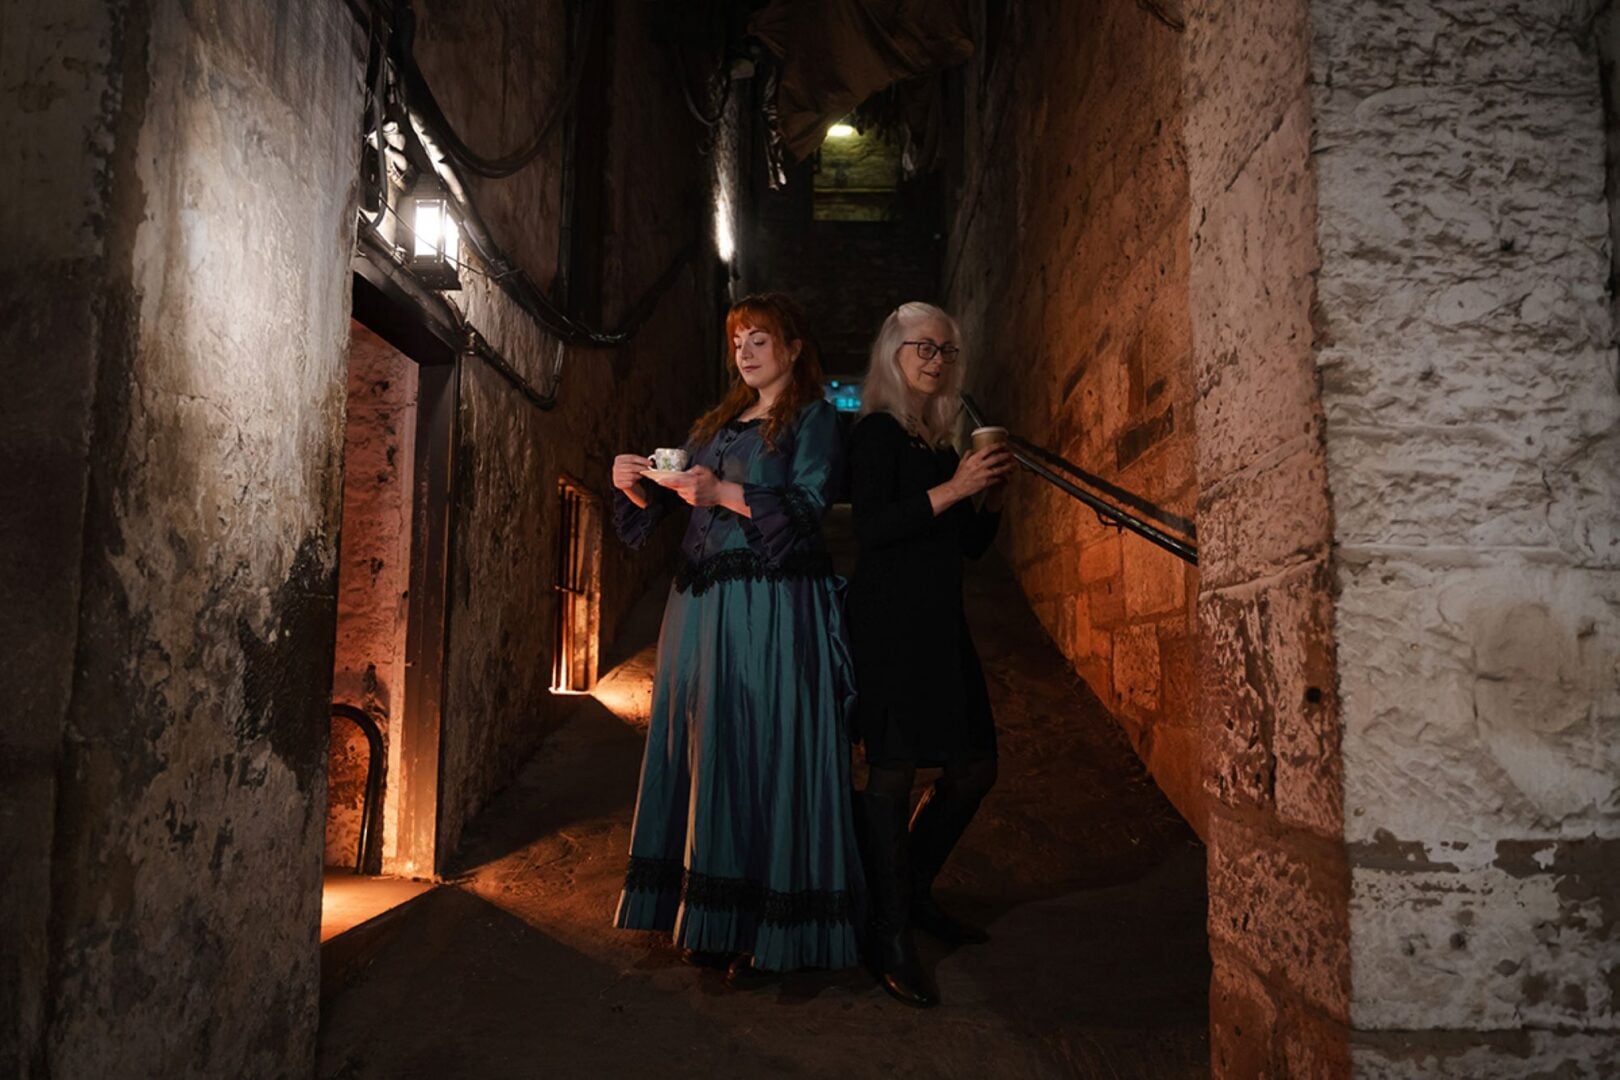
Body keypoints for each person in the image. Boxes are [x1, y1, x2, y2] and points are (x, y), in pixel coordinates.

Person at [609, 292, 862, 984]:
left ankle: (767, 926)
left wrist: (720, 493)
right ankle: (710, 918)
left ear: (793, 346)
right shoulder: (715, 424)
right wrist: (636, 484)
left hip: (775, 606)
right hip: (701, 608)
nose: (747, 352)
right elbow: (667, 506)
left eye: (760, 339)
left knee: (766, 743)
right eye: (739, 342)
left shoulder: (813, 419)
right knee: (708, 744)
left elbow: (811, 506)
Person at [845, 301, 1015, 1008]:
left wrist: (992, 497)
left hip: (941, 627)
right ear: (893, 351)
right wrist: (954, 489)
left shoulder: (940, 442)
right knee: (892, 774)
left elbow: (967, 548)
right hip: (887, 626)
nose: (937, 359)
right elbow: (875, 530)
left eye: (947, 350)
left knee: (974, 767)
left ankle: (910, 888)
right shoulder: (876, 434)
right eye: (924, 346)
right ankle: (887, 933)